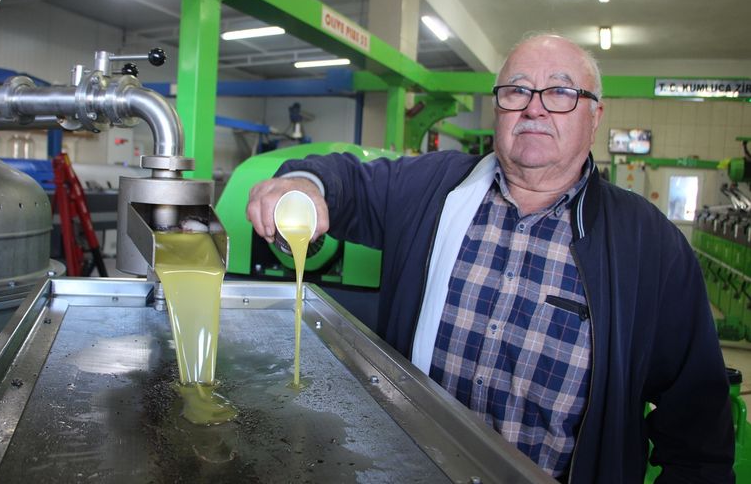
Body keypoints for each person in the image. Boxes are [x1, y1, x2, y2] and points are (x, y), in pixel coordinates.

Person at [246, 34, 734, 482]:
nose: (534, 109)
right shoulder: (431, 188)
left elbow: (696, 432)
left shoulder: (650, 245)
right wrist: (302, 184)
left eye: (561, 93)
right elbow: (346, 178)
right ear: (497, 108)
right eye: (516, 91)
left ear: (595, 115)